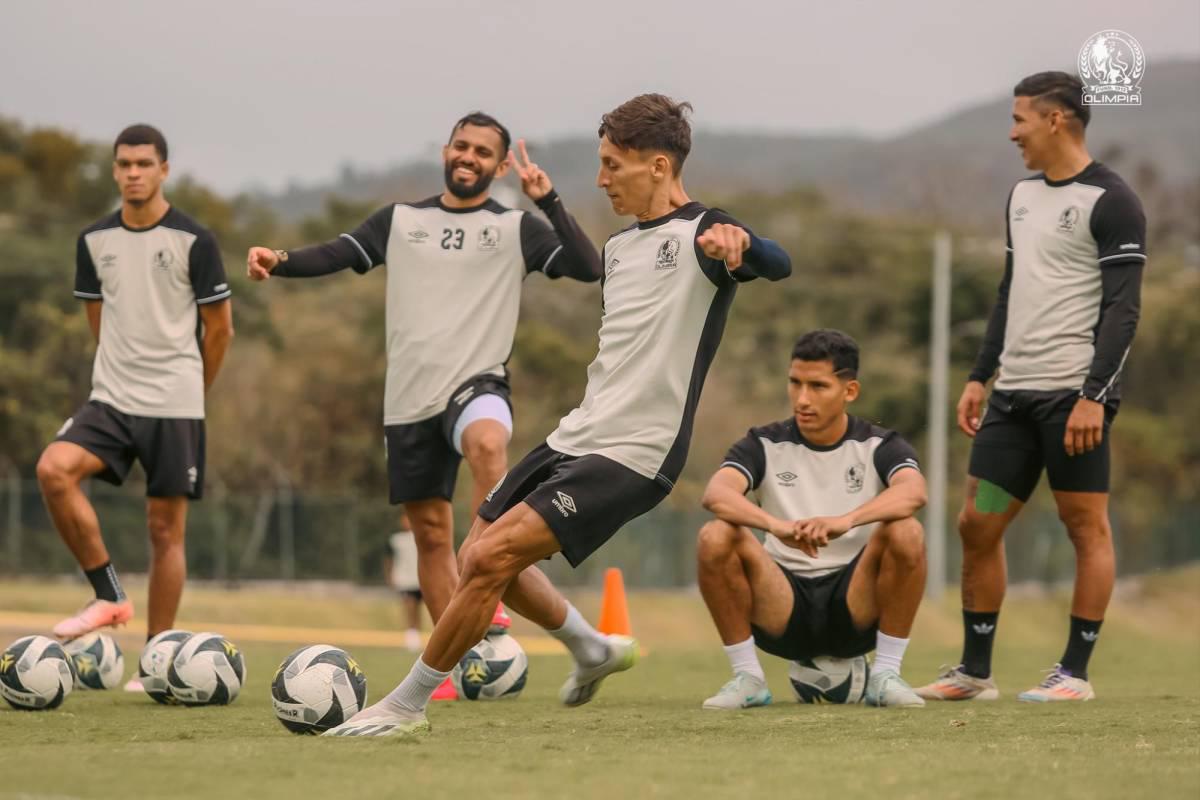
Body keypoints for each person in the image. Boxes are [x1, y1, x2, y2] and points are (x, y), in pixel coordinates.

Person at [325, 93, 791, 738]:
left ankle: (403, 706)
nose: (600, 180)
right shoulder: (623, 247)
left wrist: (745, 244)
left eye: (612, 165)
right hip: (577, 432)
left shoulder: (706, 233)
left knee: (490, 563)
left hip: (636, 451)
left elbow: (775, 262)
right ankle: (593, 648)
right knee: (477, 555)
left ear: (658, 166)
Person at [246, 112, 601, 698]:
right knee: (430, 538)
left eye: (483, 151)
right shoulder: (400, 220)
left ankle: (494, 553)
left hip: (478, 382)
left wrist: (551, 201)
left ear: (500, 163)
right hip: (407, 399)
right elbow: (339, 252)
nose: (469, 157)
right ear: (445, 150)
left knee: (488, 441)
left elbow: (588, 268)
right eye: (461, 146)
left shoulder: (517, 228)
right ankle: (448, 668)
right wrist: (279, 260)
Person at [915, 71, 1147, 704]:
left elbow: (1124, 311)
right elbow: (1009, 291)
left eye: (1020, 119)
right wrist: (978, 376)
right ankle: (975, 672)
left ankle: (1073, 673)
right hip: (1011, 397)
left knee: (1084, 528)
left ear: (1057, 120)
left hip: (1073, 397)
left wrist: (1094, 396)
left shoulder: (1113, 200)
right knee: (976, 525)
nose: (1012, 132)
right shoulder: (1020, 196)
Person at [36, 125, 234, 694]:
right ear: (115, 169)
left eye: (143, 163)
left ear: (164, 169)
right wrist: (117, 373)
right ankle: (109, 595)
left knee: (165, 531)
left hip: (176, 402)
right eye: (123, 164)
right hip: (112, 397)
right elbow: (97, 322)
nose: (132, 173)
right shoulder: (93, 240)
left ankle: (157, 662)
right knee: (54, 470)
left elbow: (220, 329)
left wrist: (194, 390)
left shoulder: (195, 240)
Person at [697, 329, 928, 709]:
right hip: (782, 606)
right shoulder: (763, 443)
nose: (802, 399)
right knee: (715, 535)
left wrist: (847, 520)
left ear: (849, 391)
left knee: (906, 530)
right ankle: (748, 677)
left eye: (818, 386)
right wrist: (777, 527)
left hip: (856, 608)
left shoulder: (880, 445)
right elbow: (716, 493)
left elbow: (914, 491)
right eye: (795, 383)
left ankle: (885, 674)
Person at [384, 511, 423, 652]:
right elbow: (388, 560)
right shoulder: (396, 540)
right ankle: (412, 638)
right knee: (410, 608)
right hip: (406, 580)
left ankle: (421, 636)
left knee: (422, 610)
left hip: (422, 580)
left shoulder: (422, 537)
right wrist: (390, 576)